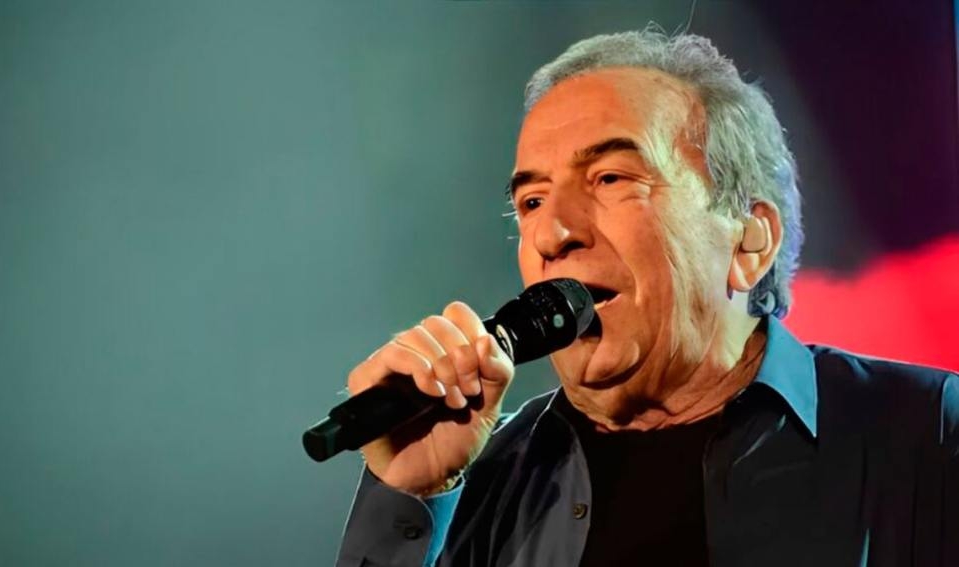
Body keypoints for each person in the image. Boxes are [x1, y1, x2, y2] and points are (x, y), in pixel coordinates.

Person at [334, 29, 958, 567]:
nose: (552, 233)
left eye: (610, 178)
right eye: (531, 201)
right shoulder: (480, 484)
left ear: (749, 240)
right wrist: (409, 496)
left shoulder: (928, 435)